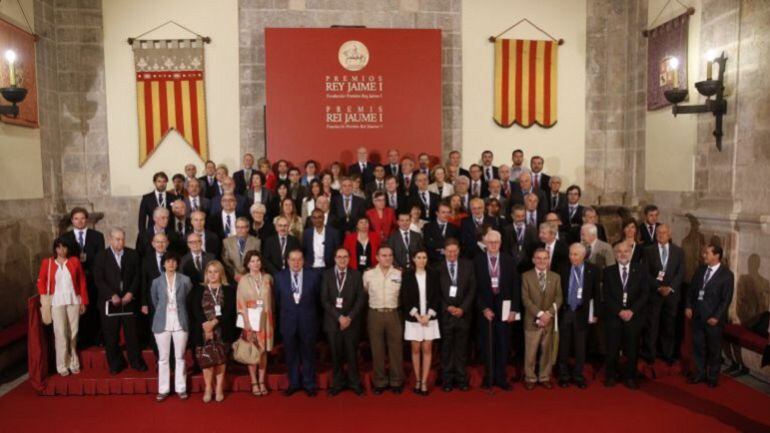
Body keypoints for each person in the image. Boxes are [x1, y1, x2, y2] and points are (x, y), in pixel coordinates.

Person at [93, 228, 147, 374]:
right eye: (117, 239)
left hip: (129, 300)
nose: (120, 242)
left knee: (132, 335)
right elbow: (99, 279)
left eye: (122, 239)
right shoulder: (101, 256)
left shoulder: (132, 254)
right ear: (110, 239)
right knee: (111, 336)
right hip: (109, 303)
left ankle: (135, 361)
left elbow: (137, 276)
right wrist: (111, 295)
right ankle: (115, 364)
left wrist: (130, 293)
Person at [475, 230, 520, 390]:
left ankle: (501, 378)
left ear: (500, 243)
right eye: (490, 242)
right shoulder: (478, 260)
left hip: (505, 308)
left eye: (496, 242)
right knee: (487, 344)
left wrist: (514, 310)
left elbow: (516, 285)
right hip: (486, 309)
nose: (493, 245)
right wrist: (483, 308)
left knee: (503, 344)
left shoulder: (508, 260)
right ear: (485, 244)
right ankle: (489, 377)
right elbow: (475, 288)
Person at [36, 239, 88, 376]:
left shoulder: (75, 261)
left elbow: (82, 281)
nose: (61, 251)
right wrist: (44, 296)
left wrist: (83, 301)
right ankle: (61, 365)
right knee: (60, 334)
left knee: (73, 333)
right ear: (55, 249)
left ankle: (73, 362)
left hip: (73, 300)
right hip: (56, 302)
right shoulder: (47, 263)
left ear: (68, 249)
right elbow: (41, 281)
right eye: (58, 248)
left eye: (64, 248)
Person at [686, 244, 734, 388]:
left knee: (714, 349)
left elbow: (726, 299)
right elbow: (691, 290)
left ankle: (712, 376)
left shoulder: (727, 275)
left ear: (717, 255)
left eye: (707, 253)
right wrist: (688, 306)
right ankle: (700, 373)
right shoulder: (700, 270)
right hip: (697, 316)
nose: (703, 255)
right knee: (698, 346)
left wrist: (717, 316)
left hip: (713, 318)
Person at [321, 247, 367, 396]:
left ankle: (354, 383)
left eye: (345, 257)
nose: (342, 260)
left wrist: (349, 317)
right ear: (334, 259)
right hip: (333, 322)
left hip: (352, 322)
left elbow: (361, 299)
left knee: (352, 354)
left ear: (349, 259)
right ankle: (338, 383)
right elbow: (324, 300)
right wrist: (339, 317)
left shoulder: (356, 275)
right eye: (339, 257)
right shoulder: (326, 275)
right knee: (336, 354)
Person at [275, 250, 322, 397]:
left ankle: (309, 383)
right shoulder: (279, 277)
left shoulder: (313, 276)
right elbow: (278, 301)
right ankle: (294, 383)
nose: (296, 263)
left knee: (308, 353)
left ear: (303, 261)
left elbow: (318, 300)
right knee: (291, 354)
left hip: (308, 321)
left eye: (299, 259)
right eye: (293, 260)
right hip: (288, 321)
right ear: (287, 261)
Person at [604, 242, 649, 389]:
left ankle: (630, 377)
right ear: (615, 255)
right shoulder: (608, 271)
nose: (622, 254)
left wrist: (632, 311)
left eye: (626, 252)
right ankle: (611, 376)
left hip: (633, 316)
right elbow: (606, 295)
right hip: (614, 316)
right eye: (619, 252)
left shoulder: (641, 270)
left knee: (632, 349)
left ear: (631, 253)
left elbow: (644, 294)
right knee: (612, 349)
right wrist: (619, 311)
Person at [190, 260, 237, 402]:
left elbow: (229, 310)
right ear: (206, 274)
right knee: (206, 361)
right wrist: (205, 324)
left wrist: (214, 322)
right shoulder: (198, 289)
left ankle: (219, 388)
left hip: (222, 330)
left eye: (215, 271)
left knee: (220, 360)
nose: (212, 274)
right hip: (203, 331)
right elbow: (194, 309)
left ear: (221, 273)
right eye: (209, 272)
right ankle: (208, 388)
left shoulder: (228, 290)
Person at [58, 207, 104, 348]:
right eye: (76, 218)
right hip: (73, 281)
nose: (80, 221)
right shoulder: (65, 238)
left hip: (92, 279)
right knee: (76, 309)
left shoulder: (97, 236)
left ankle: (96, 338)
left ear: (87, 219)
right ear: (72, 220)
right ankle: (80, 340)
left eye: (82, 218)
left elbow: (100, 259)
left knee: (94, 309)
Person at [150, 253, 192, 401]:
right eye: (168, 261)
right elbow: (155, 301)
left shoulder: (185, 280)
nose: (171, 264)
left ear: (177, 264)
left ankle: (181, 388)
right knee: (163, 358)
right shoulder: (156, 282)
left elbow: (188, 299)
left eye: (174, 261)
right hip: (162, 322)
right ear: (163, 264)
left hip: (180, 321)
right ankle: (163, 389)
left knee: (180, 357)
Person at [363, 245, 404, 394]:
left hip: (394, 313)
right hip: (375, 313)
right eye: (384, 255)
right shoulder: (368, 274)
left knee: (396, 349)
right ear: (377, 257)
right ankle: (379, 382)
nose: (387, 258)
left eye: (390, 255)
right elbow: (365, 291)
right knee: (377, 349)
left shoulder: (399, 273)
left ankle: (396, 381)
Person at [557, 243, 599, 389]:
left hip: (582, 312)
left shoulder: (593, 270)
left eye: (575, 254)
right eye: (570, 254)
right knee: (564, 346)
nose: (572, 257)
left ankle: (578, 375)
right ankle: (563, 375)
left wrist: (596, 313)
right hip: (566, 311)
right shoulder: (562, 268)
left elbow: (596, 294)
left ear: (583, 255)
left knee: (580, 347)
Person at [435, 238, 475, 391]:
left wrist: (462, 308)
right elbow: (436, 293)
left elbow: (472, 289)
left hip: (463, 315)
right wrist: (448, 307)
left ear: (459, 251)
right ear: (444, 251)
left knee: (461, 349)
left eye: (455, 251)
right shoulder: (437, 267)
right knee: (446, 349)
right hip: (445, 315)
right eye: (449, 251)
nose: (452, 254)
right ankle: (447, 380)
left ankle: (461, 379)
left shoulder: (468, 265)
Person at [642, 223, 685, 366]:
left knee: (669, 325)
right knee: (652, 325)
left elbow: (681, 273)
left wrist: (671, 287)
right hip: (655, 294)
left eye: (664, 232)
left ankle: (667, 354)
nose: (661, 235)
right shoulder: (648, 251)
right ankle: (650, 354)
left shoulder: (678, 251)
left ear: (669, 234)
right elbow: (646, 273)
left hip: (672, 296)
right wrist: (659, 287)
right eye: (659, 233)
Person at [521, 248, 563, 389]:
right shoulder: (526, 276)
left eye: (545, 258)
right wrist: (539, 314)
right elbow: (525, 299)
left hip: (549, 321)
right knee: (531, 352)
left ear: (548, 259)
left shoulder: (555, 277)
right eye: (538, 258)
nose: (542, 261)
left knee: (547, 350)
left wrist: (548, 314)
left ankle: (544, 376)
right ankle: (530, 378)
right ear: (533, 260)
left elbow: (559, 298)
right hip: (532, 321)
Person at [401, 250, 441, 396]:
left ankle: (424, 381)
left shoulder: (433, 275)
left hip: (430, 318)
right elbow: (405, 298)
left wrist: (428, 316)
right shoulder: (407, 276)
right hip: (414, 319)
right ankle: (417, 380)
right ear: (413, 259)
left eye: (424, 257)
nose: (422, 260)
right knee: (416, 349)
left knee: (428, 349)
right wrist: (418, 316)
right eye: (419, 257)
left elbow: (437, 296)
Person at [236, 251, 275, 397]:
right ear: (247, 264)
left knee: (263, 351)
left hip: (266, 319)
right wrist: (247, 324)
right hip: (250, 320)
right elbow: (240, 303)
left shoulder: (267, 278)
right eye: (252, 261)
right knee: (252, 351)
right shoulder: (243, 280)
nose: (256, 263)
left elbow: (272, 300)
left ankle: (262, 381)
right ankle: (254, 382)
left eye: (258, 260)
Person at [221, 217, 261, 282]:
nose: (240, 230)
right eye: (237, 227)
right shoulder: (227, 242)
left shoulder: (256, 242)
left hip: (251, 278)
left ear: (247, 228)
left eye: (242, 227)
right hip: (232, 278)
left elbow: (257, 261)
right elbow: (225, 261)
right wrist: (235, 274)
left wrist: (247, 275)